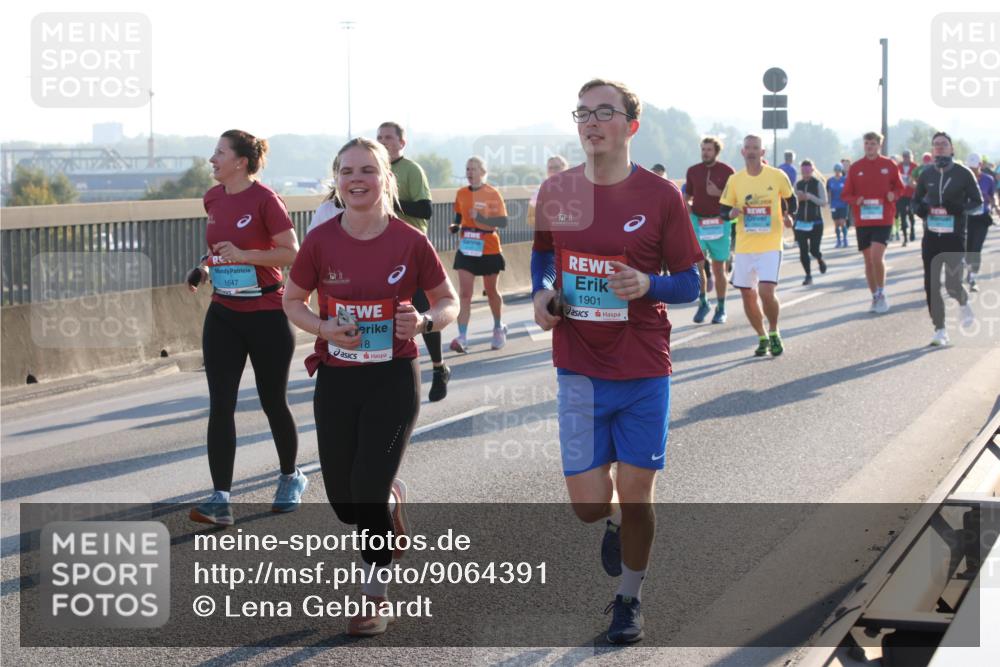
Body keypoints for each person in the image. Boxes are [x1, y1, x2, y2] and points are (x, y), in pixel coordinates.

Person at [532, 79, 702, 644]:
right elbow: (543, 258)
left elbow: (690, 283)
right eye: (583, 111)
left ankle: (628, 600)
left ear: (631, 125)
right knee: (587, 507)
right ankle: (607, 522)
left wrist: (647, 283)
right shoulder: (557, 190)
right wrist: (543, 292)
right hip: (579, 368)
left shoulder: (661, 195)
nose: (591, 121)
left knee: (637, 493)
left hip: (643, 368)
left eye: (605, 112)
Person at [283, 137, 459, 635]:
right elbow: (293, 299)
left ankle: (374, 597)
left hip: (392, 378)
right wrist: (322, 328)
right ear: (336, 181)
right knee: (344, 503)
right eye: (346, 172)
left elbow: (449, 302)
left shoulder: (409, 240)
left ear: (386, 178)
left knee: (367, 487)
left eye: (366, 170)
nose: (355, 179)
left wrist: (423, 321)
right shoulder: (320, 240)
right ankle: (387, 502)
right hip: (338, 377)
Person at [187, 130, 305, 526]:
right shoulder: (213, 198)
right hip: (223, 313)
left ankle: (291, 476)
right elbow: (220, 246)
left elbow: (292, 253)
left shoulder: (266, 200)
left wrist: (245, 255)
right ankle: (221, 497)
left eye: (219, 153)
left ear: (240, 161)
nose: (212, 159)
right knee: (221, 403)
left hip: (267, 314)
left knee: (273, 401)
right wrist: (204, 268)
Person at [376, 121, 451, 402]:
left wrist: (388, 203)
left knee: (421, 311)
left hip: (411, 252)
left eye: (389, 138)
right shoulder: (374, 171)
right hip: (381, 252)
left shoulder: (411, 170)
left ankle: (438, 367)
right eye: (379, 137)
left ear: (401, 143)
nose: (384, 142)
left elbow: (425, 209)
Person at [719, 135, 796, 356]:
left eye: (756, 148)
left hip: (771, 243)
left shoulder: (777, 176)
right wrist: (731, 213)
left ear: (763, 153)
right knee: (747, 294)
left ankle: (773, 330)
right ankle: (762, 336)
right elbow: (723, 210)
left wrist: (789, 217)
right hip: (744, 245)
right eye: (748, 148)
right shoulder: (735, 180)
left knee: (765, 291)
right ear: (742, 152)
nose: (751, 151)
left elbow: (792, 201)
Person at [913, 132, 981, 346]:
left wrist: (959, 209)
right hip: (931, 236)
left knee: (952, 284)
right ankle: (940, 330)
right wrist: (921, 210)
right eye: (936, 145)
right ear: (932, 150)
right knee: (931, 284)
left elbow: (977, 203)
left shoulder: (963, 173)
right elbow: (915, 202)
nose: (940, 148)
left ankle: (963, 302)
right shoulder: (925, 174)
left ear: (952, 149)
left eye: (944, 144)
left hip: (954, 237)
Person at [449, 157, 509, 353]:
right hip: (467, 247)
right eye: (467, 168)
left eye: (474, 169)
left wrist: (481, 217)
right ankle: (463, 337)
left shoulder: (492, 193)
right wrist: (456, 226)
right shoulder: (461, 193)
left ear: (483, 172)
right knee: (465, 294)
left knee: (491, 291)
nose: (470, 172)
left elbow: (502, 222)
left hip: (489, 247)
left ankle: (498, 327)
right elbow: (459, 214)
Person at [841, 132, 904, 314]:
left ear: (879, 145)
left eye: (873, 144)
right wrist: (856, 200)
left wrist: (894, 195)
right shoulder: (856, 167)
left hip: (883, 218)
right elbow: (846, 194)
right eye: (867, 143)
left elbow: (900, 187)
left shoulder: (889, 165)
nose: (869, 146)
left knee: (877, 257)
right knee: (868, 261)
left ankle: (882, 293)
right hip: (863, 220)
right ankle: (875, 295)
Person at [685, 136, 735, 323]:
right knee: (697, 266)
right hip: (699, 222)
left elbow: (734, 198)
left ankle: (721, 308)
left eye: (709, 150)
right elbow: (687, 194)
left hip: (720, 223)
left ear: (716, 151)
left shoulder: (727, 171)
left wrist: (719, 193)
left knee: (718, 268)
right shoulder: (693, 171)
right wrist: (686, 204)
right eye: (703, 149)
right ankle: (703, 302)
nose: (705, 152)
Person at [965, 153, 997, 292]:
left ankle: (972, 278)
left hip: (982, 217)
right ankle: (968, 270)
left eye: (975, 167)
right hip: (966, 217)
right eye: (970, 168)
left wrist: (994, 205)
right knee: (968, 248)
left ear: (980, 165)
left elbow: (992, 196)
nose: (972, 170)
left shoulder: (988, 179)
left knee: (976, 248)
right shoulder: (963, 179)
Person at [793, 160, 828, 285]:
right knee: (803, 251)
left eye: (808, 171)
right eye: (803, 171)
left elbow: (824, 202)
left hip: (816, 223)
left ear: (812, 170)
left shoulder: (818, 184)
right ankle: (808, 275)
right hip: (801, 223)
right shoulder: (798, 184)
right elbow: (792, 204)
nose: (805, 173)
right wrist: (798, 197)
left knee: (813, 250)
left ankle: (819, 259)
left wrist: (810, 197)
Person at [527, 155, 570, 227]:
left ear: (565, 168)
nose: (553, 170)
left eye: (556, 167)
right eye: (550, 168)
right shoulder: (539, 191)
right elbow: (530, 218)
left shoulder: (577, 188)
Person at [897, 150, 919, 246]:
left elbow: (920, 180)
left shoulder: (915, 167)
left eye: (909, 157)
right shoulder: (898, 167)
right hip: (901, 195)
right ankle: (905, 238)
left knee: (911, 213)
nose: (907, 159)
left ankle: (912, 230)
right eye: (905, 157)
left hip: (911, 194)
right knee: (902, 215)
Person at [827, 163, 850, 247]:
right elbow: (829, 192)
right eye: (836, 170)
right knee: (836, 223)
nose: (837, 172)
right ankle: (838, 240)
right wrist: (829, 203)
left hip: (843, 204)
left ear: (841, 171)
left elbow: (848, 190)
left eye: (839, 170)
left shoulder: (845, 180)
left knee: (842, 222)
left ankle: (845, 239)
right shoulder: (830, 181)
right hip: (834, 205)